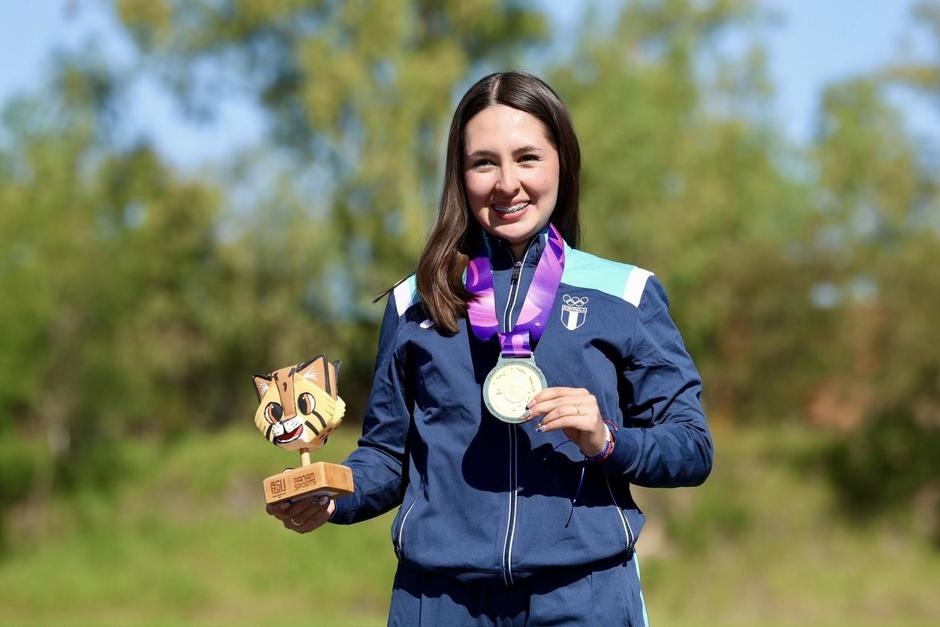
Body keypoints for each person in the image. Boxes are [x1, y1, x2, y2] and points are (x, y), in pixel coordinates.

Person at [266, 70, 713, 626]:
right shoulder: (414, 302)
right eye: (484, 162)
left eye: (527, 158)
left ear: (561, 164)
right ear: (461, 174)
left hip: (584, 596)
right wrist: (332, 495)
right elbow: (386, 457)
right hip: (439, 601)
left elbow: (691, 448)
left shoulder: (625, 294)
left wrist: (606, 440)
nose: (507, 183)